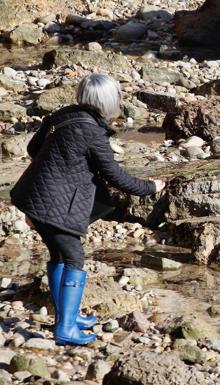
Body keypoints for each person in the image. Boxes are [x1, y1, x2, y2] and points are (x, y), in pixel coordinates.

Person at [10, 73, 166, 346]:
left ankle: (66, 317)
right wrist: (150, 187)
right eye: (118, 97)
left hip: (32, 196)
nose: (120, 101)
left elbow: (33, 147)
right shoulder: (92, 132)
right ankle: (66, 329)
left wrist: (63, 166)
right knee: (74, 258)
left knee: (59, 255)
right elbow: (115, 176)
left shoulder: (63, 115)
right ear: (107, 102)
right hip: (51, 205)